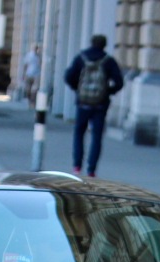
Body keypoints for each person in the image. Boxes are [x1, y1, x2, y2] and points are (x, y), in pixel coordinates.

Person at [63, 34, 124, 178]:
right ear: (104, 45)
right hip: (100, 105)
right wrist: (108, 92)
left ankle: (77, 166)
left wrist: (77, 88)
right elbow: (119, 82)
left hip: (83, 103)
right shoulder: (108, 61)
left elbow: (68, 76)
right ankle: (91, 170)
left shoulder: (81, 58)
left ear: (91, 43)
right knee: (96, 137)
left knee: (79, 133)